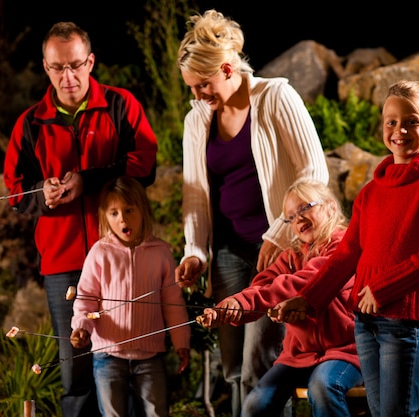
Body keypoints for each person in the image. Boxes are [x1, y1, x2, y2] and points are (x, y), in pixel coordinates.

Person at [273, 80, 419, 417]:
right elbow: (346, 255)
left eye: (412, 121)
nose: (400, 130)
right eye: (391, 121)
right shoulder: (370, 192)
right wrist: (308, 299)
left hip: (405, 324)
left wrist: (385, 287)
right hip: (367, 323)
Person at [173, 9, 329, 417]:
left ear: (227, 68)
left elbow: (315, 171)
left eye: (202, 84)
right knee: (230, 368)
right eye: (191, 88)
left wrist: (278, 234)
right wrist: (195, 251)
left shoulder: (276, 97)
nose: (197, 95)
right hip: (226, 253)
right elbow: (194, 195)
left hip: (277, 254)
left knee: (261, 363)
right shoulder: (196, 120)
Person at [3, 22, 158, 417]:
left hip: (123, 255)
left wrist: (89, 180)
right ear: (45, 67)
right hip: (63, 261)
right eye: (57, 68)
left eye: (75, 65)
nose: (67, 77)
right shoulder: (31, 123)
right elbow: (15, 191)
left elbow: (146, 163)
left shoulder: (121, 105)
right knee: (75, 361)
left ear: (90, 61)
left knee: (131, 352)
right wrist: (44, 193)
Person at [198, 178, 362, 417]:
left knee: (322, 388)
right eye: (291, 217)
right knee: (255, 405)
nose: (298, 219)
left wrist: (253, 301)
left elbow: (307, 280)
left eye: (305, 207)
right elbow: (262, 285)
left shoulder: (344, 246)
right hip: (298, 356)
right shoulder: (290, 256)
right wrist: (233, 306)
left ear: (331, 207)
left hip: (344, 352)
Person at [70, 176, 191, 417]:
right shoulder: (99, 253)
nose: (122, 219)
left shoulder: (161, 253)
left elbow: (173, 303)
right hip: (108, 355)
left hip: (150, 357)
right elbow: (85, 298)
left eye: (128, 210)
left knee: (157, 413)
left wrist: (181, 343)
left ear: (143, 210)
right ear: (105, 216)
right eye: (114, 213)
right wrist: (81, 326)